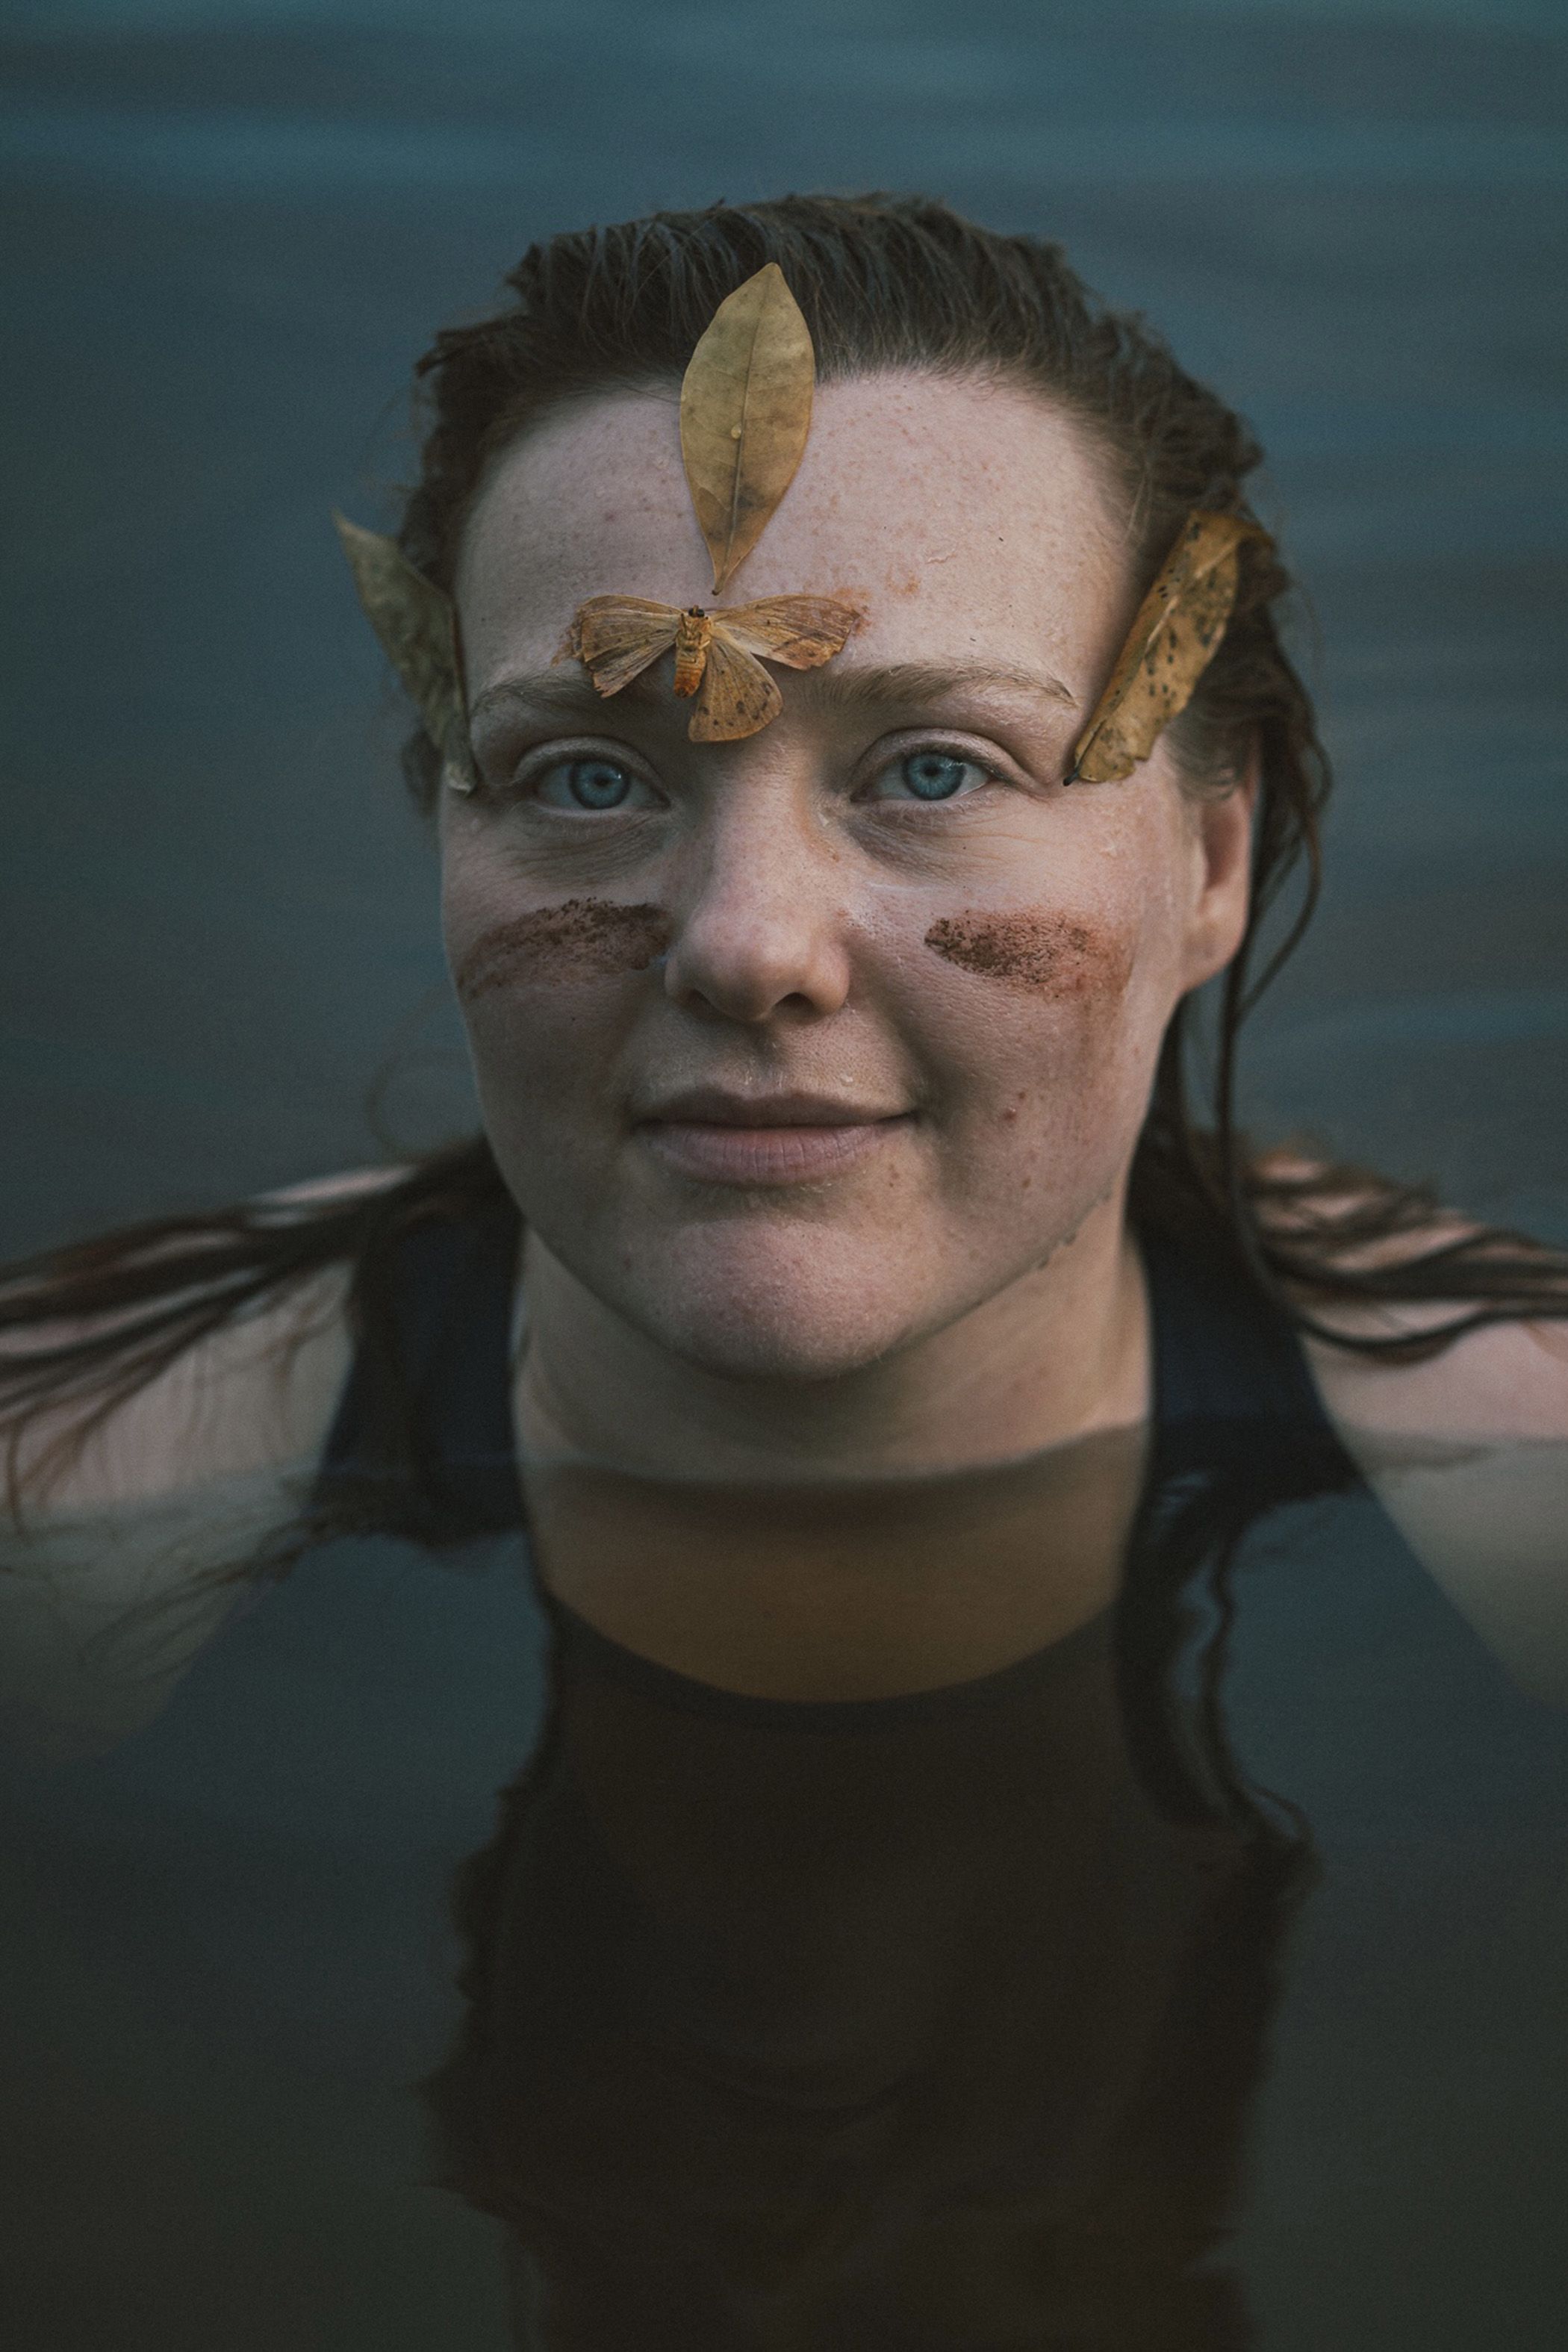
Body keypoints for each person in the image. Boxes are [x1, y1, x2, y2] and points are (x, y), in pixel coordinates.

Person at [2, 194, 1567, 2345]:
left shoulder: (1522, 1466)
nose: (745, 943)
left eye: (936, 767)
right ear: (444, 835)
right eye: (586, 772)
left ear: (1209, 859)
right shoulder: (65, 1494)